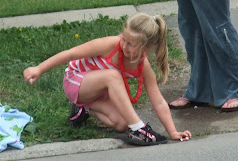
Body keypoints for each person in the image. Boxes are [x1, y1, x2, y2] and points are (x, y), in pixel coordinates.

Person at [23, 13, 192, 145]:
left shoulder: (143, 65)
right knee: (113, 76)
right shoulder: (109, 44)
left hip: (99, 94)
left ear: (146, 47)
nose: (124, 45)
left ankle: (83, 109)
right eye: (123, 39)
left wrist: (173, 132)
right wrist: (39, 68)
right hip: (77, 82)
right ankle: (139, 130)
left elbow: (159, 101)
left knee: (121, 124)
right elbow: (71, 53)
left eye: (131, 44)